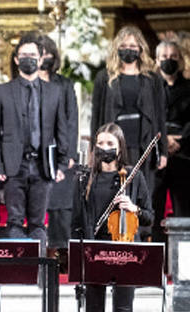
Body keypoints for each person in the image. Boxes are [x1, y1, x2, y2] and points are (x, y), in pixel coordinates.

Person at [71, 123, 154, 312]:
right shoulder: (85, 178)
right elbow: (75, 220)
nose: (104, 149)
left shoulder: (133, 177)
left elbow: (150, 218)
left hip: (125, 249)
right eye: (101, 144)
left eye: (110, 144)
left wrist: (134, 208)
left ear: (119, 148)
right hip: (95, 251)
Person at [0, 32, 68, 253]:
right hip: (14, 166)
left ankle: (39, 272)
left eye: (32, 55)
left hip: (43, 165)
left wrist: (61, 165)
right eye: (23, 55)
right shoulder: (3, 91)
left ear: (41, 59)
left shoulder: (54, 91)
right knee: (14, 221)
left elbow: (61, 129)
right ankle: (17, 270)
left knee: (38, 223)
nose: (28, 59)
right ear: (16, 59)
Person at [91, 26, 167, 196]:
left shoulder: (153, 78)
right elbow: (96, 116)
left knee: (142, 194)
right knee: (113, 193)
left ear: (141, 49)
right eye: (124, 46)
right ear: (117, 48)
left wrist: (163, 151)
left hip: (143, 141)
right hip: (113, 143)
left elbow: (160, 115)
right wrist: (93, 150)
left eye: (133, 46)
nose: (129, 50)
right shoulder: (104, 77)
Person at [37, 34, 79, 272]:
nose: (44, 57)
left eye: (47, 53)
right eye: (39, 52)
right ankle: (38, 254)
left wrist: (69, 154)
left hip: (60, 150)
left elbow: (72, 120)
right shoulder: (26, 82)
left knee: (61, 202)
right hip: (34, 153)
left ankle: (61, 254)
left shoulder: (64, 85)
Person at [152, 40, 190, 243]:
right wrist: (163, 139)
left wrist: (181, 141)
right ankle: (156, 265)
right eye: (164, 57)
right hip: (156, 156)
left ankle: (184, 266)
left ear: (180, 60)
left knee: (184, 211)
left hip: (184, 156)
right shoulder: (150, 89)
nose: (169, 60)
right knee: (153, 212)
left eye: (173, 57)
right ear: (157, 61)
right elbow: (147, 118)